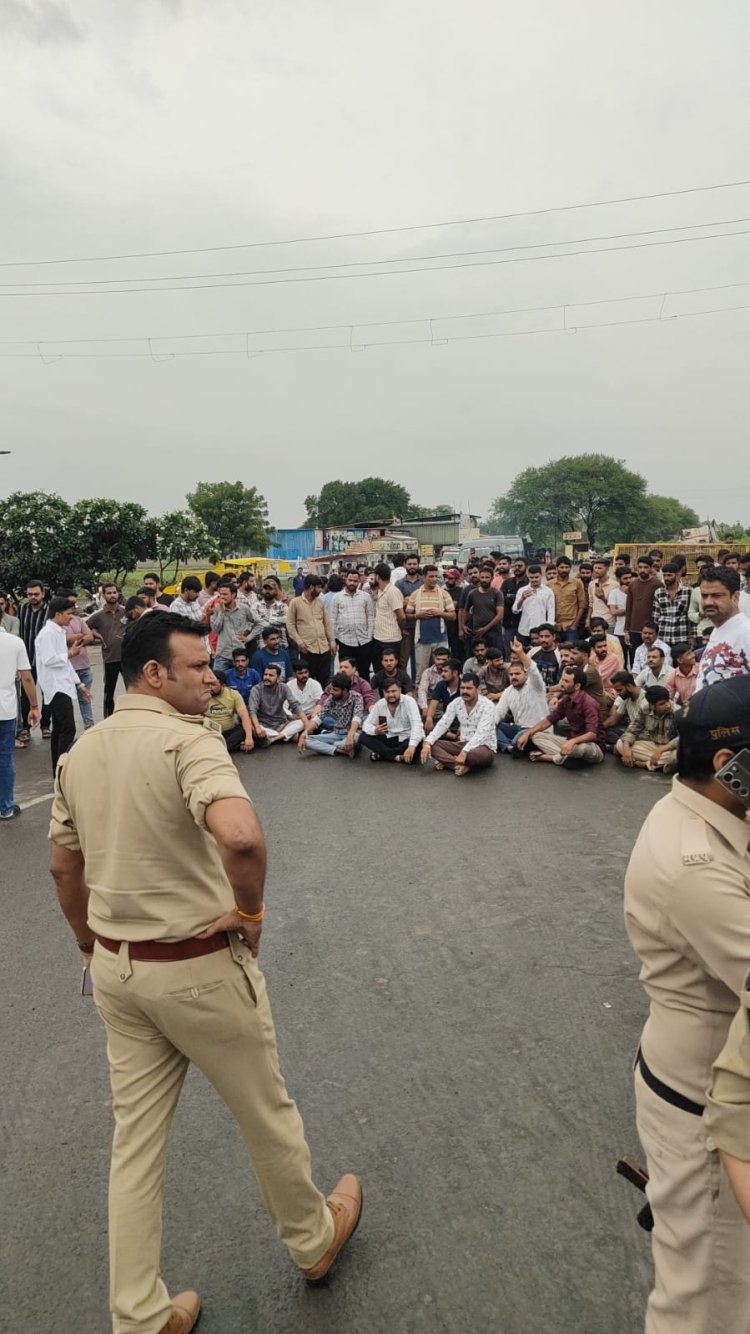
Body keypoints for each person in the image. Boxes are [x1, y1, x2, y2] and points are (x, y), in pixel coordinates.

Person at [48, 612, 362, 1333]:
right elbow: (242, 838)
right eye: (197, 667)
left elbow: (65, 866)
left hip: (120, 973)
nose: (212, 677)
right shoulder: (188, 742)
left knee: (135, 1144)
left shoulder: (82, 753)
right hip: (196, 968)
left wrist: (87, 944)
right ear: (154, 674)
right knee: (266, 1113)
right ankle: (312, 1241)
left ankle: (139, 1313)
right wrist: (250, 914)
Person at [623, 674, 750, 1332]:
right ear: (730, 765)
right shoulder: (697, 869)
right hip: (706, 1114)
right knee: (705, 1304)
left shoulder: (711, 812)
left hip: (696, 1081)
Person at [35, 596, 93, 774]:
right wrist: (70, 653)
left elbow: (66, 664)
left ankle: (58, 770)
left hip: (64, 684)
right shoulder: (47, 634)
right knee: (68, 727)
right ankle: (63, 769)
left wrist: (80, 684)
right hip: (55, 686)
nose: (72, 617)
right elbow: (49, 659)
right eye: (69, 614)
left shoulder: (58, 632)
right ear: (58, 614)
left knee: (60, 728)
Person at [516, 667, 605, 767]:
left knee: (580, 749)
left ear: (577, 686)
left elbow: (592, 734)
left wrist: (572, 741)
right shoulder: (566, 700)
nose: (562, 684)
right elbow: (548, 721)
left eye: (566, 681)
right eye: (562, 679)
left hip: (592, 746)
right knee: (536, 736)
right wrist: (527, 734)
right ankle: (566, 758)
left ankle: (552, 757)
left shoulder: (589, 703)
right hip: (571, 743)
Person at [420, 671, 497, 776]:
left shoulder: (488, 706)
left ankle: (450, 762)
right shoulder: (456, 703)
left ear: (478, 690)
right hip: (462, 743)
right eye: (462, 688)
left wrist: (465, 752)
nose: (465, 691)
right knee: (433, 745)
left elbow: (482, 734)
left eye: (469, 688)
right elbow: (443, 724)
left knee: (472, 755)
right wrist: (428, 743)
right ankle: (460, 765)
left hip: (483, 747)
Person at [0, 619, 39, 819]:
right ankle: (5, 807)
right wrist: (34, 706)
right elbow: (26, 677)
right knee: (4, 757)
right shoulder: (14, 642)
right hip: (4, 710)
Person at [695, 565, 750, 692]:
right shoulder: (718, 630)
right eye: (704, 596)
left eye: (716, 596)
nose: (708, 602)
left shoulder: (746, 633)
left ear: (735, 597)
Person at [494, 639, 548, 752]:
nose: (514, 677)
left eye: (517, 673)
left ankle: (511, 744)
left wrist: (520, 653)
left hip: (536, 730)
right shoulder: (508, 691)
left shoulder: (536, 685)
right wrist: (488, 724)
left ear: (526, 675)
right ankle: (508, 747)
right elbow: (499, 712)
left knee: (518, 740)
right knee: (491, 726)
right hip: (517, 728)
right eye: (511, 674)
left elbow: (533, 670)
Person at [406, 565, 456, 681]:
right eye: (431, 576)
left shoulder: (444, 594)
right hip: (422, 640)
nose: (434, 579)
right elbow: (407, 615)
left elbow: (453, 615)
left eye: (436, 576)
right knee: (421, 672)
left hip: (440, 639)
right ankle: (421, 696)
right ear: (423, 577)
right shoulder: (415, 595)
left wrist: (440, 613)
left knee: (443, 671)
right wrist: (417, 616)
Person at [57, 589, 97, 731]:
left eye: (75, 604)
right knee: (65, 703)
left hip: (84, 666)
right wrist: (81, 635)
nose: (74, 607)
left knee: (85, 699)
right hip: (66, 668)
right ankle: (66, 730)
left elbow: (90, 637)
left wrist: (74, 638)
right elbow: (62, 639)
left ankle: (89, 727)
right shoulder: (55, 623)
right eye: (70, 604)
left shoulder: (78, 619)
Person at [17, 577, 52, 740]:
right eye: (30, 594)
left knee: (47, 694)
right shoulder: (21, 609)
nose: (33, 597)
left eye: (36, 594)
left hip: (45, 660)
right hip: (26, 659)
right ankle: (25, 728)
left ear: (43, 594)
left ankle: (46, 725)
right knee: (25, 694)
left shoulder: (50, 612)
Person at [87, 583, 128, 718]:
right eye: (109, 593)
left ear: (118, 593)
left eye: (114, 592)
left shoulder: (126, 611)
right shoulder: (98, 615)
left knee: (132, 688)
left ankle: (132, 715)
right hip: (110, 658)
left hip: (126, 657)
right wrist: (95, 633)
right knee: (109, 691)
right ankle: (108, 717)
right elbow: (85, 626)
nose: (112, 595)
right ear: (103, 595)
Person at [615, 685, 679, 772]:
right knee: (620, 743)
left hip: (671, 748)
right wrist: (626, 749)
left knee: (677, 757)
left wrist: (661, 750)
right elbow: (632, 730)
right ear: (652, 705)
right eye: (662, 704)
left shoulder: (677, 712)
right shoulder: (645, 709)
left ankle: (645, 764)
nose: (667, 705)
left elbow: (683, 738)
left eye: (667, 701)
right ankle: (657, 763)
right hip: (653, 746)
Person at [287, 575, 336, 687]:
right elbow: (290, 625)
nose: (320, 590)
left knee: (325, 680)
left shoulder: (320, 602)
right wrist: (300, 642)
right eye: (318, 587)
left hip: (324, 648)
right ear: (310, 587)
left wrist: (332, 642)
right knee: (308, 681)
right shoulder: (295, 602)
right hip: (307, 649)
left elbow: (327, 623)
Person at [299, 673, 363, 758]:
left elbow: (357, 718)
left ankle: (331, 747)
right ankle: (339, 750)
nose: (331, 692)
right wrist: (304, 733)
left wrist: (350, 736)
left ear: (344, 690)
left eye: (335, 690)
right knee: (306, 740)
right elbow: (319, 717)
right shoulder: (331, 698)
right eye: (331, 688)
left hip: (353, 733)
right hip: (336, 734)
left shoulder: (357, 697)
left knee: (356, 738)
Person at [361, 680, 424, 763]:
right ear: (383, 692)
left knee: (418, 741)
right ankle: (395, 757)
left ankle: (383, 755)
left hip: (406, 739)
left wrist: (412, 745)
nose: (391, 695)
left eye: (394, 691)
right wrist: (375, 730)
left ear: (400, 690)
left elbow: (417, 725)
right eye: (387, 692)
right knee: (363, 737)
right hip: (389, 738)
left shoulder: (409, 701)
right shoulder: (380, 704)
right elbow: (366, 724)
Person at [331, 569, 374, 681]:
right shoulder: (337, 597)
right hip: (345, 641)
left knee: (364, 673)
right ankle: (346, 696)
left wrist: (369, 637)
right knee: (345, 673)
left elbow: (370, 617)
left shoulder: (365, 597)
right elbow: (333, 619)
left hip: (363, 641)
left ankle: (365, 696)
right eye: (350, 580)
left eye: (355, 581)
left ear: (359, 581)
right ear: (345, 579)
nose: (352, 583)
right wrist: (334, 640)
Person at [210, 579, 256, 674]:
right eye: (220, 594)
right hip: (223, 654)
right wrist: (222, 612)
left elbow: (259, 623)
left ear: (234, 595)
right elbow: (215, 629)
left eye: (225, 594)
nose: (222, 597)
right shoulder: (217, 609)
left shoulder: (244, 608)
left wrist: (248, 637)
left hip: (239, 655)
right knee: (217, 681)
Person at [205, 671, 255, 753]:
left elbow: (244, 716)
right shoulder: (202, 694)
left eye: (213, 685)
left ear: (223, 686)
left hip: (227, 733)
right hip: (208, 732)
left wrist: (249, 738)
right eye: (208, 684)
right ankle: (223, 748)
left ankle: (217, 749)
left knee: (244, 730)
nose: (210, 687)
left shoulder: (233, 695)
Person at [371, 563, 406, 673]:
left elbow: (402, 617)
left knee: (391, 671)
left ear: (377, 577)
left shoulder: (392, 591)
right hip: (379, 638)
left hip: (390, 639)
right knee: (379, 670)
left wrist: (401, 630)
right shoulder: (381, 590)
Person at [624, 556, 660, 657]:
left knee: (651, 659)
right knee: (634, 659)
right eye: (640, 567)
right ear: (636, 568)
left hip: (650, 631)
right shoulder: (632, 585)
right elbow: (628, 608)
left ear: (651, 568)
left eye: (646, 567)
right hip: (633, 630)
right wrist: (626, 631)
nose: (642, 570)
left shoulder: (657, 584)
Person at [462, 565, 504, 650]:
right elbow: (465, 610)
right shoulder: (472, 593)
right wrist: (463, 625)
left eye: (487, 577)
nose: (484, 580)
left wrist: (485, 629)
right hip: (477, 631)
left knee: (496, 655)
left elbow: (500, 615)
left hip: (494, 631)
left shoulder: (497, 593)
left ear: (492, 578)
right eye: (482, 577)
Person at [653, 563, 691, 652]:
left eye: (669, 575)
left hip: (682, 636)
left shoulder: (688, 591)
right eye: (664, 575)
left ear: (677, 575)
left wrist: (691, 637)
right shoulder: (658, 592)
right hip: (663, 636)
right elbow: (655, 617)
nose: (666, 578)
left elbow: (690, 617)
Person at [512, 564, 555, 643]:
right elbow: (515, 610)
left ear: (541, 575)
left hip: (540, 631)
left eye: (536, 577)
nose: (534, 580)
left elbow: (551, 612)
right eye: (531, 577)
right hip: (524, 630)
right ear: (528, 576)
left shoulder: (548, 591)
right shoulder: (522, 590)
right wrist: (522, 599)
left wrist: (549, 629)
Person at [394, 554, 422, 671]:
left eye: (414, 564)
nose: (412, 566)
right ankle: (404, 685)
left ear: (418, 565)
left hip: (421, 626)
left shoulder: (423, 582)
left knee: (419, 660)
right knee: (403, 659)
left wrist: (408, 599)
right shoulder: (399, 584)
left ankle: (417, 685)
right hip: (405, 627)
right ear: (405, 565)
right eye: (409, 564)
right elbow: (397, 605)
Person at [567, 641, 609, 718]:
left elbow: (568, 687)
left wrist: (549, 690)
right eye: (571, 653)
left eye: (574, 653)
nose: (570, 656)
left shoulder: (591, 671)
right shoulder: (575, 667)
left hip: (596, 714)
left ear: (585, 656)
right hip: (581, 710)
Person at [602, 671, 645, 747]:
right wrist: (599, 728)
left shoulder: (645, 699)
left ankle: (619, 747)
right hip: (631, 732)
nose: (617, 693)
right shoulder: (626, 697)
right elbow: (614, 719)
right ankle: (620, 746)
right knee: (607, 731)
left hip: (643, 734)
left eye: (619, 690)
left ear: (629, 686)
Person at [551, 557, 586, 644]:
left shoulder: (577, 583)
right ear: (557, 568)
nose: (564, 570)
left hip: (571, 625)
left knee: (572, 652)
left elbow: (582, 605)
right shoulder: (550, 584)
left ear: (570, 568)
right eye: (561, 567)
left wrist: (575, 624)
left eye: (567, 567)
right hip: (555, 626)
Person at [423, 657, 462, 734]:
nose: (442, 674)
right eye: (442, 671)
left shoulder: (464, 686)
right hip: (447, 718)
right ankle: (451, 736)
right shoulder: (441, 685)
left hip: (462, 720)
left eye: (445, 671)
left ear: (455, 673)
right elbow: (433, 703)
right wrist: (429, 718)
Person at [416, 646, 452, 716]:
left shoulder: (453, 672)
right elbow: (422, 690)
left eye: (444, 659)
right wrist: (424, 707)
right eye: (438, 659)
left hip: (448, 703)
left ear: (449, 659)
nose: (441, 662)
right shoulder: (427, 672)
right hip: (430, 702)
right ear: (434, 659)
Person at [609, 567, 633, 664]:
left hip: (633, 630)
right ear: (619, 579)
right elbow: (614, 612)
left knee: (634, 660)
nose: (628, 580)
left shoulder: (635, 591)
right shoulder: (614, 593)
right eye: (625, 578)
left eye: (630, 578)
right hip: (619, 631)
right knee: (621, 661)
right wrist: (630, 609)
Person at [588, 557, 618, 631]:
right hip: (594, 622)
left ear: (607, 569)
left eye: (600, 568)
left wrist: (603, 598)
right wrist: (587, 619)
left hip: (608, 623)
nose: (596, 570)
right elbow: (591, 604)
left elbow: (615, 608)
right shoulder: (592, 584)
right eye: (595, 568)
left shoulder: (615, 585)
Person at [589, 633, 621, 699]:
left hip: (611, 692)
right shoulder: (592, 659)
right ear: (593, 649)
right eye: (599, 647)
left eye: (605, 646)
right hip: (597, 690)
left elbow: (597, 677)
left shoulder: (612, 658)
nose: (604, 649)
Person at [666, 642, 699, 706]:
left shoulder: (701, 669)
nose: (693, 655)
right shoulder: (673, 675)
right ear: (680, 660)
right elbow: (669, 698)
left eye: (692, 652)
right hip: (686, 708)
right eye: (688, 654)